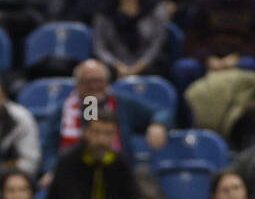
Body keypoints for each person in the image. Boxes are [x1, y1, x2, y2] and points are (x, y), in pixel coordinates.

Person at [38, 59, 171, 180]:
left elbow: (162, 111)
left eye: (98, 81)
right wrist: (52, 171)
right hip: (72, 175)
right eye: (87, 81)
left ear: (107, 83)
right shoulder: (62, 110)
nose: (94, 86)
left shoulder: (123, 103)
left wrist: (158, 124)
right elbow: (49, 149)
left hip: (119, 173)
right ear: (77, 84)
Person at [93, 0, 173, 82]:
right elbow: (99, 45)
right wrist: (117, 65)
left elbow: (158, 43)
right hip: (114, 66)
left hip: (149, 66)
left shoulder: (155, 6)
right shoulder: (104, 7)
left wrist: (138, 67)